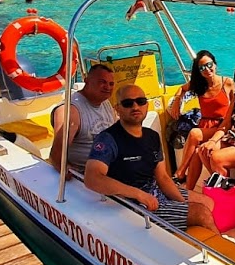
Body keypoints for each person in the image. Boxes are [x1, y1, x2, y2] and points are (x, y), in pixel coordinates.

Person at [85, 84, 217, 232]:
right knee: (201, 213)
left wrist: (181, 203)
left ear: (146, 105)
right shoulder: (108, 139)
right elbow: (92, 178)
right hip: (131, 205)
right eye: (128, 103)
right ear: (117, 109)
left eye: (140, 101)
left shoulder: (152, 136)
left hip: (156, 193)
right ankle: (217, 254)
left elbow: (162, 177)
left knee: (207, 202)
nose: (135, 107)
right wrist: (138, 194)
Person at [169, 50, 233, 187]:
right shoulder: (199, 84)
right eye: (202, 67)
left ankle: (180, 173)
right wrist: (177, 101)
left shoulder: (227, 83)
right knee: (197, 153)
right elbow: (182, 88)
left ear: (215, 64)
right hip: (206, 126)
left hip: (222, 127)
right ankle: (189, 192)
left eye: (209, 65)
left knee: (194, 133)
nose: (207, 69)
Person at [49, 64, 116, 175]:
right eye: (102, 82)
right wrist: (68, 171)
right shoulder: (71, 110)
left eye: (111, 84)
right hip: (88, 172)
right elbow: (57, 154)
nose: (107, 87)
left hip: (112, 166)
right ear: (87, 81)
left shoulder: (105, 102)